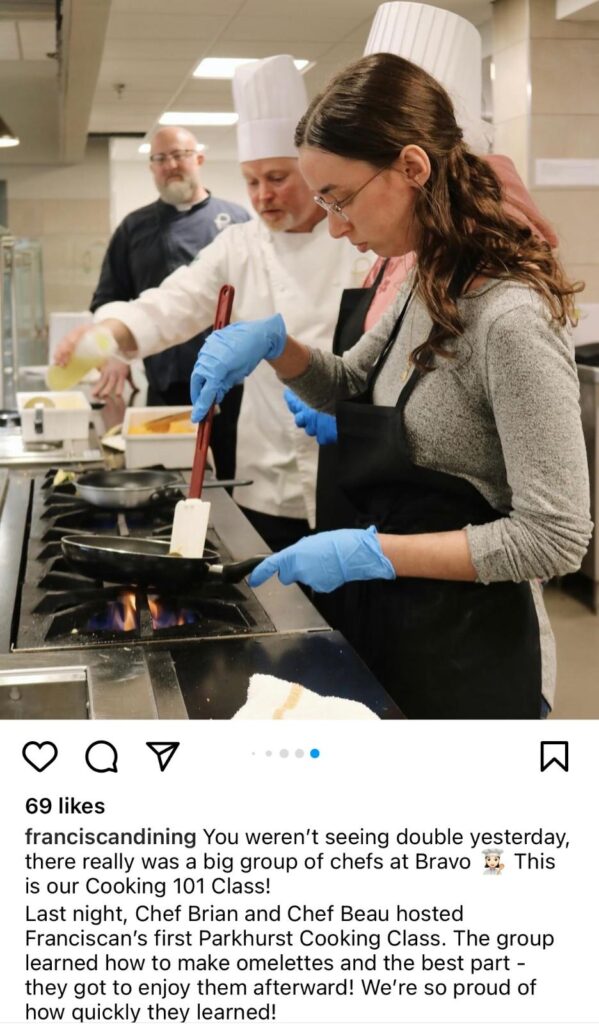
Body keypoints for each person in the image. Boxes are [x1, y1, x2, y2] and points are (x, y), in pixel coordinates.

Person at [188, 52, 592, 720]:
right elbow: (348, 383)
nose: (337, 227)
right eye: (324, 203)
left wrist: (369, 552)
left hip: (467, 655)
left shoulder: (509, 319)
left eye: (339, 200)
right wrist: (273, 344)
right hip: (395, 623)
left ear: (411, 167)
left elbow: (553, 537)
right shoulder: (422, 277)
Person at [54, 57, 370, 551]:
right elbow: (172, 302)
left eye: (277, 178)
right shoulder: (239, 244)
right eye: (251, 181)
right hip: (265, 472)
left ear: (311, 172)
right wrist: (105, 335)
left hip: (355, 468)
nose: (262, 196)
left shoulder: (361, 239)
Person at [89, 126, 250, 479]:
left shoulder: (238, 222)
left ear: (199, 159)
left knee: (230, 480)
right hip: (165, 385)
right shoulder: (134, 228)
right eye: (161, 158)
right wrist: (114, 353)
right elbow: (108, 297)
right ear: (151, 167)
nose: (171, 164)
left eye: (180, 155)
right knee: (165, 479)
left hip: (233, 386)